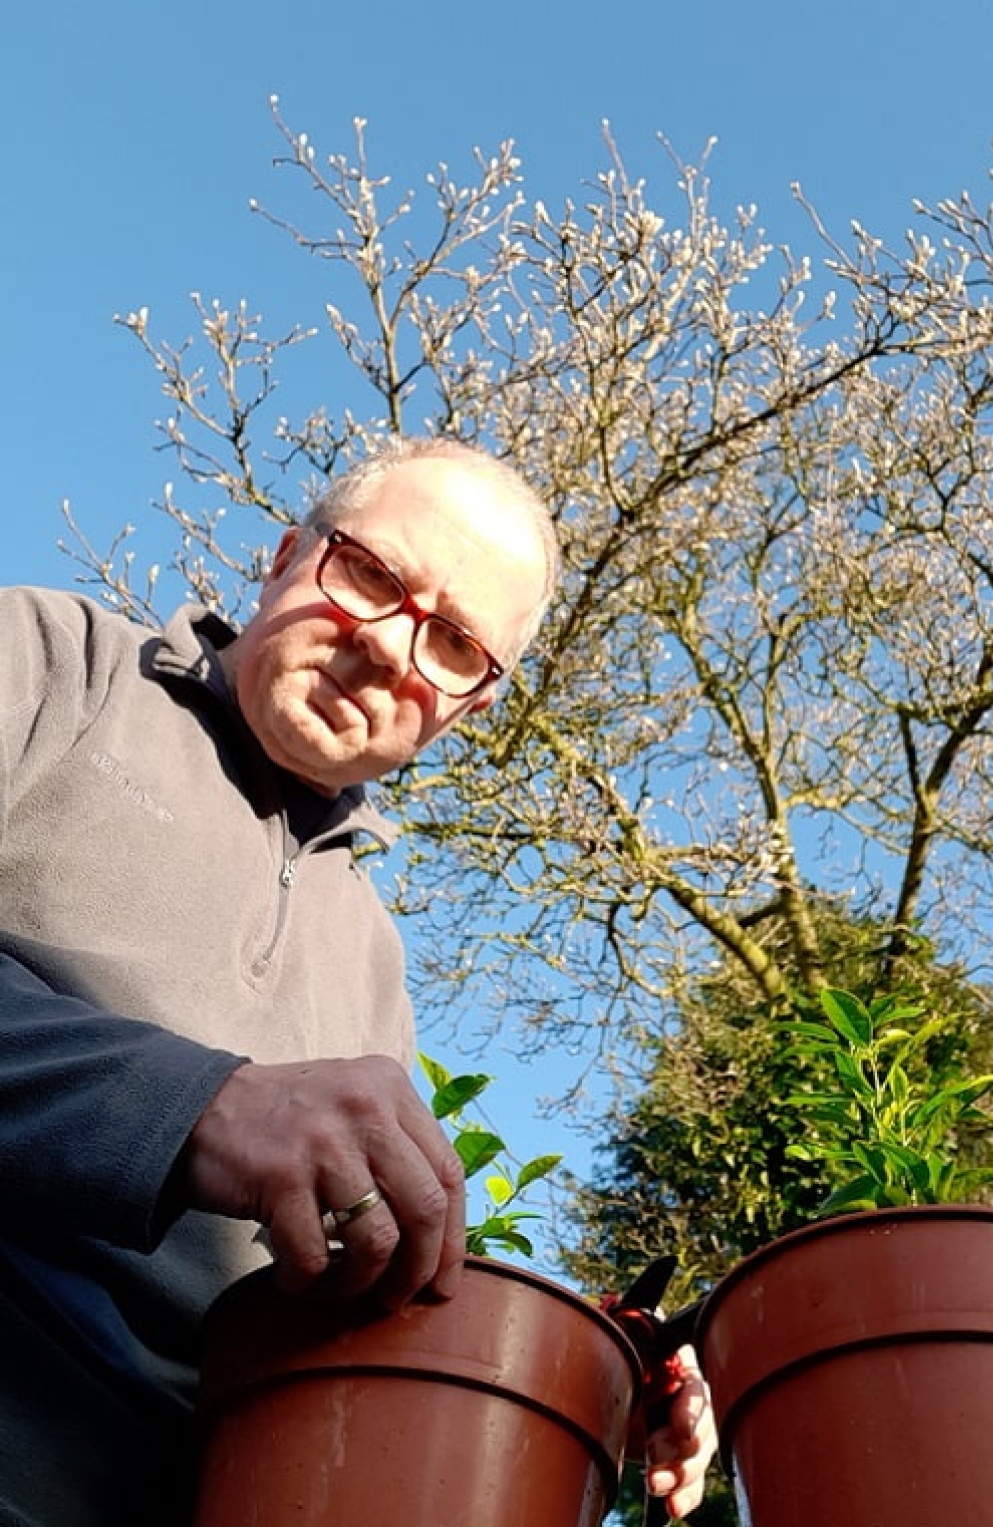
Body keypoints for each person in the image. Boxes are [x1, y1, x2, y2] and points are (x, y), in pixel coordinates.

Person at [0, 437, 714, 1525]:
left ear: (468, 708)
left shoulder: (374, 976)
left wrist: (581, 1371)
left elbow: (347, 1311)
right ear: (285, 557)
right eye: (373, 576)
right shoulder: (50, 665)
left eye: (457, 644)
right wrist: (195, 1108)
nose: (388, 648)